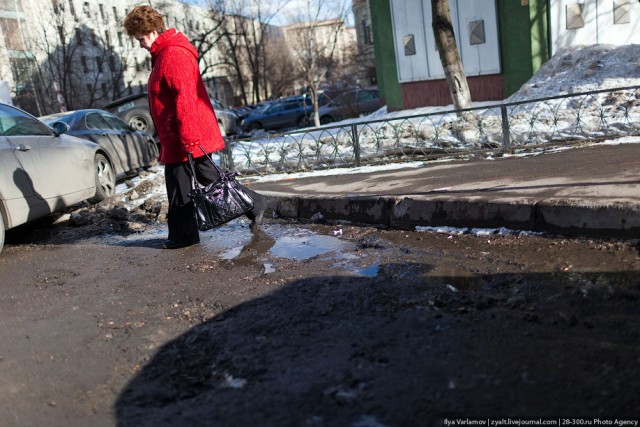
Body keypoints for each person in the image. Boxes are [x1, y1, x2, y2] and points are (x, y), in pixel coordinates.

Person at [123, 5, 266, 249]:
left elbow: (185, 97)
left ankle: (184, 236)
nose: (141, 44)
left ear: (155, 30)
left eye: (142, 38)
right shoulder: (163, 54)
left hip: (186, 133)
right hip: (177, 134)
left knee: (182, 184)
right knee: (205, 177)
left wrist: (189, 137)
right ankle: (254, 204)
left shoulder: (173, 54)